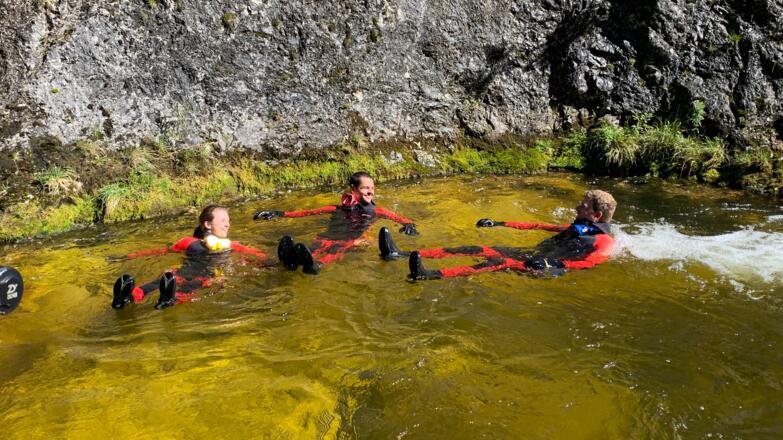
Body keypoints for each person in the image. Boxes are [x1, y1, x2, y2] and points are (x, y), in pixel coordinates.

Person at [379, 189, 617, 281]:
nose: (577, 208)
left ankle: (429, 274)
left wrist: (555, 262)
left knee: (497, 262)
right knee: (477, 248)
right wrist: (501, 222)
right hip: (535, 255)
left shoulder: (603, 240)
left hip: (545, 267)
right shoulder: (576, 227)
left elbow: (592, 262)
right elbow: (536, 226)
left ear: (595, 216)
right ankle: (400, 253)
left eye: (583, 206)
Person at [254, 171, 418, 274]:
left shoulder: (377, 211)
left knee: (336, 250)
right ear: (353, 190)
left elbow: (402, 219)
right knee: (311, 249)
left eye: (372, 188)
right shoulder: (335, 208)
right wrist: (279, 213)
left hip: (348, 242)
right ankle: (286, 262)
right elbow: (305, 213)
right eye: (365, 188)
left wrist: (409, 225)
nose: (370, 192)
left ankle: (315, 266)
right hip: (324, 238)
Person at [111, 205, 271, 310]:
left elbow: (158, 252)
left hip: (183, 273)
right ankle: (161, 300)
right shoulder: (226, 245)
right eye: (223, 220)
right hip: (201, 277)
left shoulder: (193, 242)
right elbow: (259, 255)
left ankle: (131, 297)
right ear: (208, 224)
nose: (228, 224)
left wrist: (126, 257)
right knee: (187, 287)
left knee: (163, 282)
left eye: (228, 221)